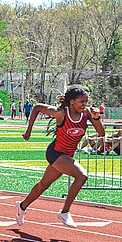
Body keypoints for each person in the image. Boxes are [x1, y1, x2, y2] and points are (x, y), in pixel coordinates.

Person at [15, 86, 105, 228]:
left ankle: (22, 206)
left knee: (43, 185)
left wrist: (96, 117)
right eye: (81, 101)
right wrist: (28, 130)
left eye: (86, 101)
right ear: (72, 102)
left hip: (67, 155)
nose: (84, 104)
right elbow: (37, 107)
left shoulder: (87, 113)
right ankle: (65, 212)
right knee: (82, 176)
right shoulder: (61, 113)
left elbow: (101, 133)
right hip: (55, 153)